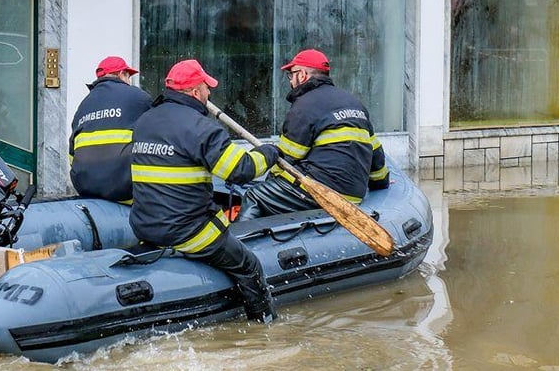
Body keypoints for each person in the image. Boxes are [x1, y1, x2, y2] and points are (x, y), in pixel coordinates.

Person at [129, 59, 280, 322]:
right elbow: (240, 170)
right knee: (249, 266)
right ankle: (265, 327)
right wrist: (268, 153)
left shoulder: (145, 121)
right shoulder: (201, 128)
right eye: (206, 88)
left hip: (146, 227)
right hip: (187, 231)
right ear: (196, 92)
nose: (209, 93)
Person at [236, 49, 389, 222]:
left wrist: (270, 184)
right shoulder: (355, 103)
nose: (290, 80)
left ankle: (241, 237)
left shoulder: (304, 106)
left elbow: (286, 159)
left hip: (321, 193)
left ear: (302, 75)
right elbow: (376, 156)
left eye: (291, 74)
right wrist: (381, 183)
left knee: (255, 196)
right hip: (353, 197)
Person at [68, 56, 153, 203]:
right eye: (128, 76)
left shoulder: (83, 105)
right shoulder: (138, 97)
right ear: (121, 74)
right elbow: (161, 131)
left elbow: (72, 152)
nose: (129, 81)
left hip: (85, 188)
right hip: (124, 191)